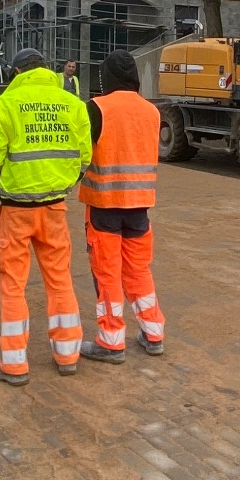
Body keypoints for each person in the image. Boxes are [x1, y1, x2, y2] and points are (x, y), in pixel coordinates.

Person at [0, 47, 92, 383]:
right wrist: (63, 183)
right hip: (54, 207)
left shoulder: (2, 106)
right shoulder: (72, 104)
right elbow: (84, 157)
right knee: (59, 280)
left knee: (13, 285)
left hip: (15, 209)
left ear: (16, 72)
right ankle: (68, 354)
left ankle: (14, 363)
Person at [77, 49, 166, 362]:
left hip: (104, 206)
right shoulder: (152, 112)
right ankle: (153, 332)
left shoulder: (97, 107)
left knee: (107, 274)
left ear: (107, 77)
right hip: (140, 208)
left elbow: (81, 155)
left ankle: (111, 341)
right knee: (138, 271)